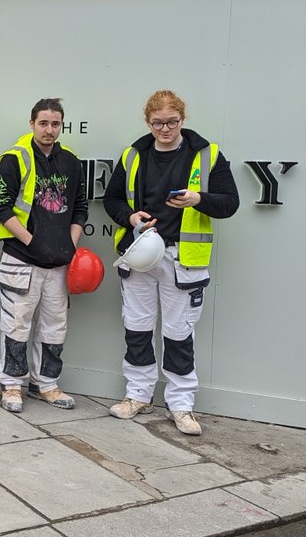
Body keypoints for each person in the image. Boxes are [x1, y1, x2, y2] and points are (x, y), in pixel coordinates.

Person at [102, 89, 239, 436]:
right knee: (137, 327)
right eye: (157, 123)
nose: (164, 129)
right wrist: (131, 218)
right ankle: (138, 395)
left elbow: (230, 203)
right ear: (148, 122)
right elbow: (112, 200)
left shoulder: (207, 155)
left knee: (179, 334)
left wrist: (198, 199)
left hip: (183, 258)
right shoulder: (134, 154)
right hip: (141, 253)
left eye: (171, 122)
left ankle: (180, 405)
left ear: (183, 119)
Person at [0, 97, 87, 413]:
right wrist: (33, 242)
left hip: (59, 264)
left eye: (55, 123)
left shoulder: (72, 161)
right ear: (31, 123)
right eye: (43, 123)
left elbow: (79, 210)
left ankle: (46, 384)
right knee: (16, 325)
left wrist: (69, 247)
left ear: (62, 125)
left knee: (54, 327)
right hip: (21, 260)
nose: (49, 129)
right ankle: (12, 385)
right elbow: (1, 208)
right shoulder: (14, 158)